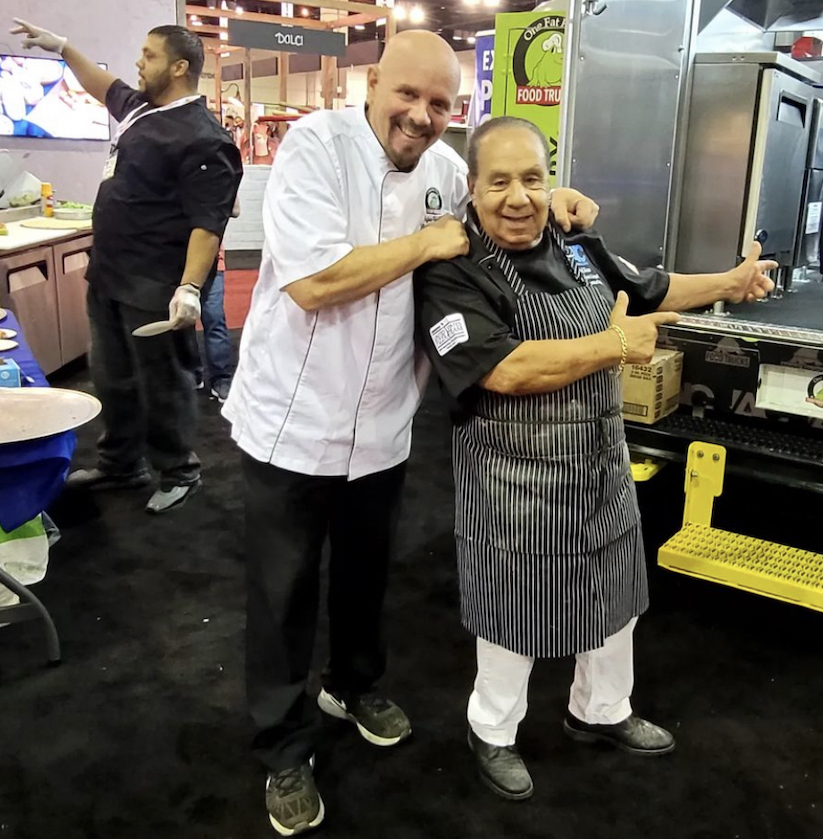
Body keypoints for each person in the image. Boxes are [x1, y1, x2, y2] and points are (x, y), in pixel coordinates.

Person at [220, 31, 598, 836]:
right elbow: (317, 283)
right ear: (374, 84)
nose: (422, 117)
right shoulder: (315, 149)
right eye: (409, 96)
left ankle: (354, 684)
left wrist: (552, 199)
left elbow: (503, 205)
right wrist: (428, 242)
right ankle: (285, 745)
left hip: (385, 424)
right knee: (282, 591)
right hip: (294, 418)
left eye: (440, 105)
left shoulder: (449, 173)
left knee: (365, 576)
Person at [413, 117, 776, 801]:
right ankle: (492, 729)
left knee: (616, 598)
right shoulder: (452, 272)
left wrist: (731, 280)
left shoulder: (573, 244)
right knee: (511, 611)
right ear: (472, 185)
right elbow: (504, 369)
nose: (518, 197)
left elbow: (650, 290)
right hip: (512, 485)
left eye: (532, 179)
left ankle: (600, 709)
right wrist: (614, 347)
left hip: (598, 468)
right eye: (500, 182)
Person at [10, 18, 242, 513]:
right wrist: (65, 47)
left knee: (164, 383)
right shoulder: (143, 110)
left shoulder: (204, 138)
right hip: (110, 275)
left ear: (179, 67)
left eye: (149, 55)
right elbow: (103, 85)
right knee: (111, 377)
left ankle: (180, 470)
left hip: (154, 284)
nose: (139, 63)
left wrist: (189, 288)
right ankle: (121, 464)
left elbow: (208, 223)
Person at [196, 198, 240, 403]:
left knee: (214, 317)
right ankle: (192, 372)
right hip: (177, 259)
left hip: (212, 260)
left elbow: (235, 209)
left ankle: (221, 378)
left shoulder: (215, 172)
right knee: (181, 320)